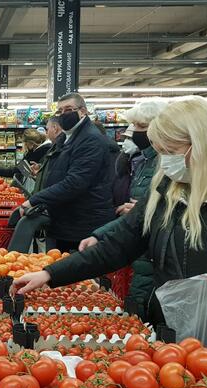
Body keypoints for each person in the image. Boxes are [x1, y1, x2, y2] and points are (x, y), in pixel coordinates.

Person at [11, 96, 207, 368]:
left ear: (202, 144)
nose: (165, 162)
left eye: (171, 151)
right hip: (175, 337)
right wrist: (50, 275)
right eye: (160, 152)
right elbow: (117, 246)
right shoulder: (168, 189)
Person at [80, 98, 167, 319]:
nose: (135, 133)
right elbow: (142, 209)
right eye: (133, 127)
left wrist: (147, 208)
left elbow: (154, 209)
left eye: (141, 127)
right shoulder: (141, 161)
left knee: (144, 309)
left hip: (153, 252)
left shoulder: (166, 164)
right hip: (139, 246)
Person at [19, 92, 115, 252]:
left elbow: (75, 182)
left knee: (79, 273)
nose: (64, 114)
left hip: (83, 223)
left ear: (83, 111)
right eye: (60, 111)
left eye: (68, 109)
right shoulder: (66, 138)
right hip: (66, 220)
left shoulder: (90, 139)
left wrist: (35, 200)